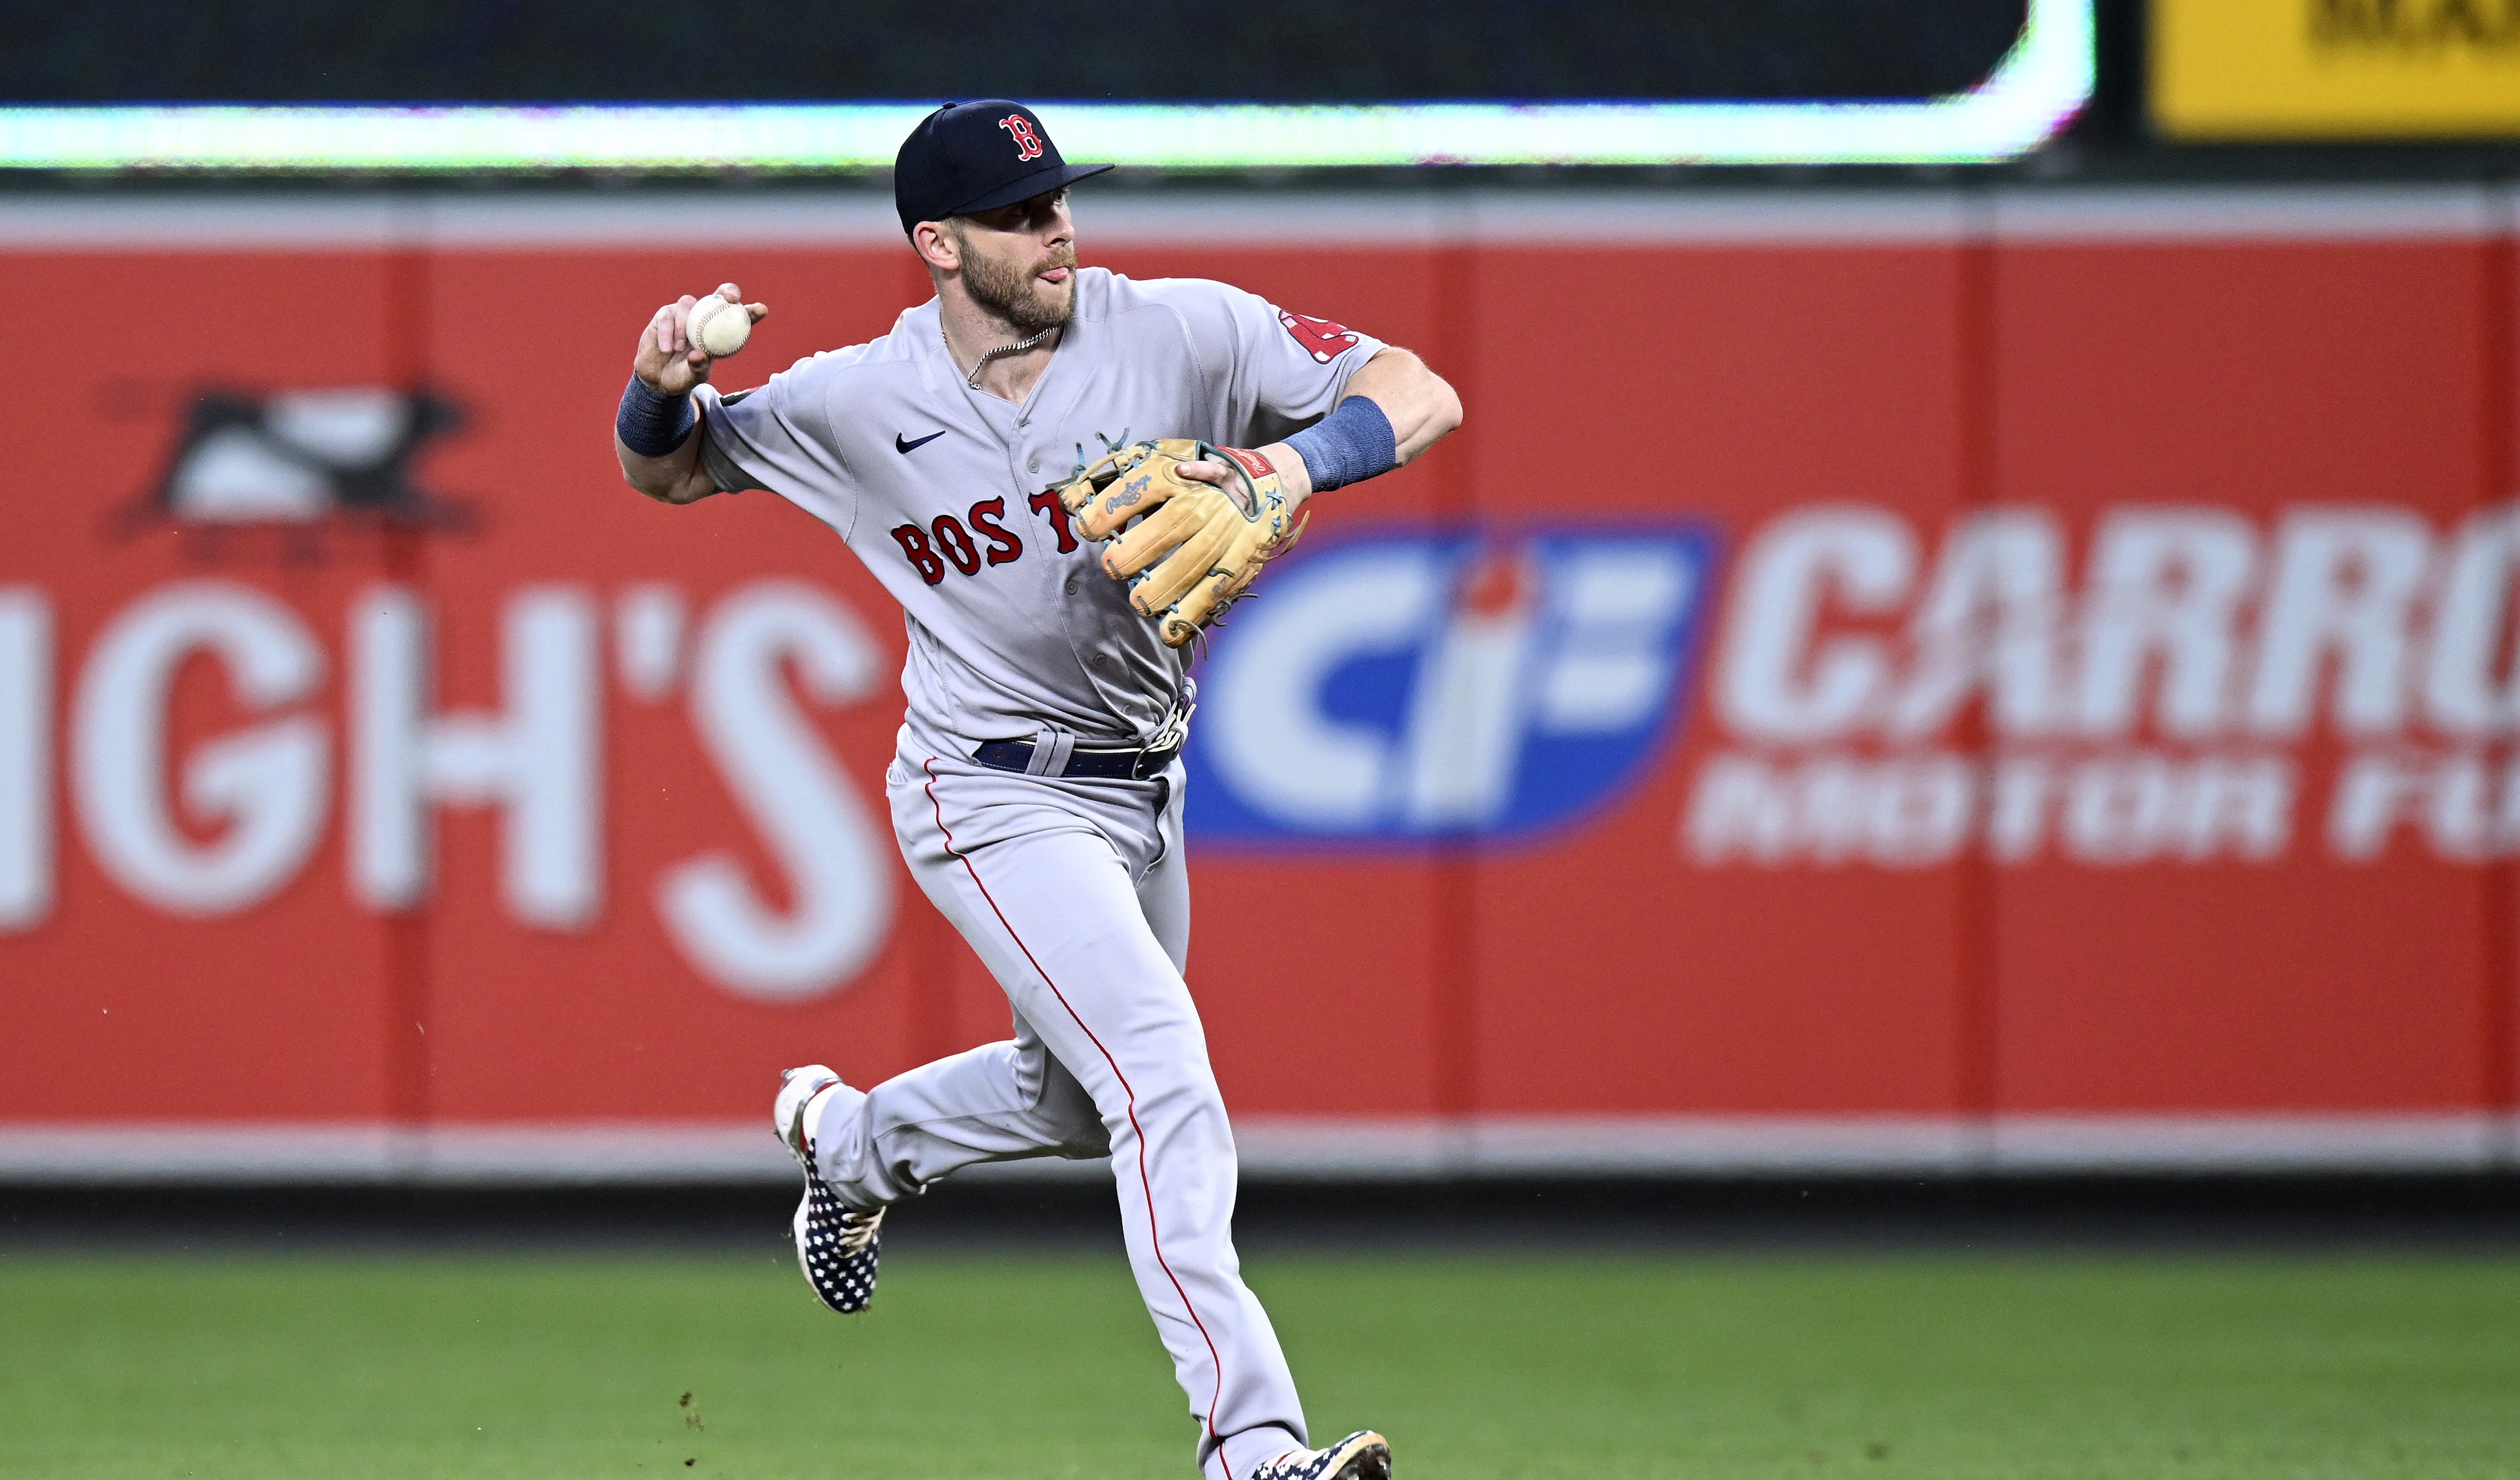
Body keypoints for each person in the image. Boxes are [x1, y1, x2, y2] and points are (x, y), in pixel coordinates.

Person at [614, 99, 1461, 1480]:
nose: (1053, 227)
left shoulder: (1181, 330)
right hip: (982, 788)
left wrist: (1281, 463)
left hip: (1140, 788)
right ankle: (1252, 1446)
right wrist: (656, 381)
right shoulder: (855, 398)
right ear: (938, 245)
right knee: (1161, 1074)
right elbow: (671, 468)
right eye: (1016, 215)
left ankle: (851, 1144)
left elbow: (1418, 386)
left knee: (1074, 1103)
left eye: (1059, 200)